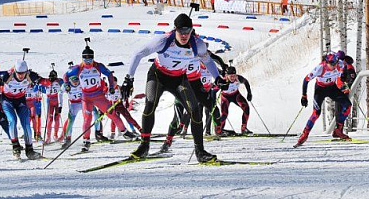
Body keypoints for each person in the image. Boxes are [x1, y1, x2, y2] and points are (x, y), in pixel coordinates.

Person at [121, 13, 226, 163]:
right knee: (150, 105)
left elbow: (207, 60)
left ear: (192, 30)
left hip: (179, 79)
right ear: (175, 29)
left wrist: (218, 78)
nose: (184, 35)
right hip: (158, 76)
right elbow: (138, 54)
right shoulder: (164, 40)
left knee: (195, 111)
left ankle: (200, 152)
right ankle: (144, 146)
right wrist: (128, 79)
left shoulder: (198, 44)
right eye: (181, 31)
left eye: (187, 31)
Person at [63, 44, 131, 152]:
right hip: (86, 98)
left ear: (93, 57)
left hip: (99, 96)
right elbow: (65, 76)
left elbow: (109, 74)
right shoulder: (78, 68)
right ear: (82, 58)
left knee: (112, 113)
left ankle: (125, 132)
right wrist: (66, 84)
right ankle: (86, 142)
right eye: (85, 58)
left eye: (90, 58)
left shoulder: (98, 66)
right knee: (87, 119)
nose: (88, 61)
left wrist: (112, 86)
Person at [295, 52, 352, 147]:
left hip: (332, 88)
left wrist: (344, 75)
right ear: (326, 62)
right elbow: (306, 80)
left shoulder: (339, 64)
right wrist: (304, 96)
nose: (334, 66)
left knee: (348, 106)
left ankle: (338, 131)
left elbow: (345, 65)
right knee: (316, 113)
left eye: (335, 64)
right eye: (332, 64)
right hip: (320, 90)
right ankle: (305, 134)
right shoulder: (320, 68)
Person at [0, 60, 43, 159]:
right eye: (18, 73)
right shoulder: (7, 76)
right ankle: (15, 147)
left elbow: (45, 81)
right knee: (12, 121)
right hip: (7, 101)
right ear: (15, 71)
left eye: (23, 73)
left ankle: (29, 150)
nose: (21, 76)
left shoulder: (30, 75)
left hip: (20, 100)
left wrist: (44, 82)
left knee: (26, 123)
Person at [219, 66, 253, 135]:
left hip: (236, 95)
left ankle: (244, 129)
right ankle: (220, 130)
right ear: (227, 75)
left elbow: (246, 82)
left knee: (246, 108)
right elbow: (215, 87)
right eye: (231, 76)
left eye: (234, 76)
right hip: (225, 97)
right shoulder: (223, 80)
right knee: (224, 114)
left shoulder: (238, 78)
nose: (232, 78)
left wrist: (249, 93)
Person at [40, 69, 64, 143]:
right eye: (50, 77)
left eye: (53, 77)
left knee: (57, 118)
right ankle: (48, 137)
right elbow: (41, 87)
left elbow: (64, 83)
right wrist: (40, 87)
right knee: (49, 119)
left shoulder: (59, 81)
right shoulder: (47, 81)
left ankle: (55, 135)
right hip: (49, 100)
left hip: (57, 100)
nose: (52, 78)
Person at [60, 74, 83, 149]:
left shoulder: (82, 82)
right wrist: (60, 104)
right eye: (73, 81)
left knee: (96, 113)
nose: (76, 83)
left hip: (84, 102)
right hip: (73, 104)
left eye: (77, 81)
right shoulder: (66, 85)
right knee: (70, 121)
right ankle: (68, 139)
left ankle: (98, 133)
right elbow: (60, 93)